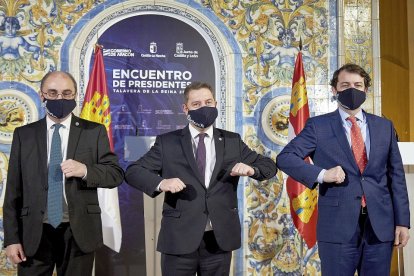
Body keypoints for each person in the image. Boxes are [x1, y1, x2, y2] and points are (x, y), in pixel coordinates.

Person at [125, 82, 277, 275]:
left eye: (208, 102)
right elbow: (133, 171)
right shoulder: (168, 143)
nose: (204, 108)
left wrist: (251, 170)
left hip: (218, 241)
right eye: (196, 104)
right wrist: (162, 183)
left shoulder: (232, 141)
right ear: (185, 108)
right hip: (179, 240)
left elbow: (269, 166)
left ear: (215, 104)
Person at [276, 63, 410, 275]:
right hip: (337, 228)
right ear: (334, 90)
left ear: (366, 89)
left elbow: (396, 177)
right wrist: (322, 174)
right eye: (345, 85)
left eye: (358, 85)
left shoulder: (384, 126)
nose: (352, 90)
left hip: (380, 227)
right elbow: (285, 158)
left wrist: (403, 222)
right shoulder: (318, 126)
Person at [3, 71, 124, 275]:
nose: (60, 98)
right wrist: (12, 239)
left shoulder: (94, 131)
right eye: (53, 93)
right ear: (42, 96)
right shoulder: (25, 135)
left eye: (67, 93)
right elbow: (14, 190)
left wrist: (85, 170)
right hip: (34, 233)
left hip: (79, 232)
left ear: (75, 96)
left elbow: (115, 174)